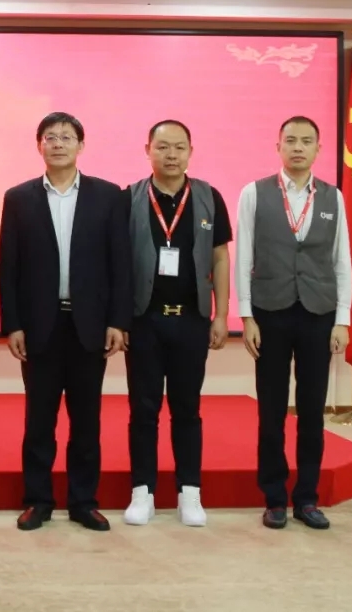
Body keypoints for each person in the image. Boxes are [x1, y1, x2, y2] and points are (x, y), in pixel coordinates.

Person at [0, 111, 131, 532]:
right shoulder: (18, 198)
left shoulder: (108, 196)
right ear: (39, 145)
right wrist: (13, 325)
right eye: (50, 137)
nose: (58, 143)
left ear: (80, 145)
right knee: (39, 420)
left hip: (89, 325)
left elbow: (120, 264)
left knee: (86, 421)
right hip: (40, 326)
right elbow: (9, 267)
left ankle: (83, 502)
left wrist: (118, 321)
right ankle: (38, 501)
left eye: (66, 137)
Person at [236, 115, 351, 531]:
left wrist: (343, 319)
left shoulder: (334, 197)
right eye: (290, 140)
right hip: (270, 312)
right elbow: (243, 257)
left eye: (306, 141)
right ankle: (274, 498)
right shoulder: (254, 193)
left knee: (312, 411)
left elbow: (342, 261)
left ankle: (306, 498)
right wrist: (246, 315)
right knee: (271, 410)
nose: (298, 147)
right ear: (278, 146)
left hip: (318, 313)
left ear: (319, 148)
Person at [121, 120, 232, 528]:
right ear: (147, 149)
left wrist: (222, 314)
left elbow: (220, 257)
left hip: (190, 321)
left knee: (187, 409)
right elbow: (117, 263)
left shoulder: (208, 197)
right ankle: (142, 493)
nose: (171, 155)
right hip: (144, 322)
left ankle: (190, 493)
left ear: (190, 151)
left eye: (179, 147)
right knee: (143, 410)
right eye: (163, 147)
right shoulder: (129, 198)